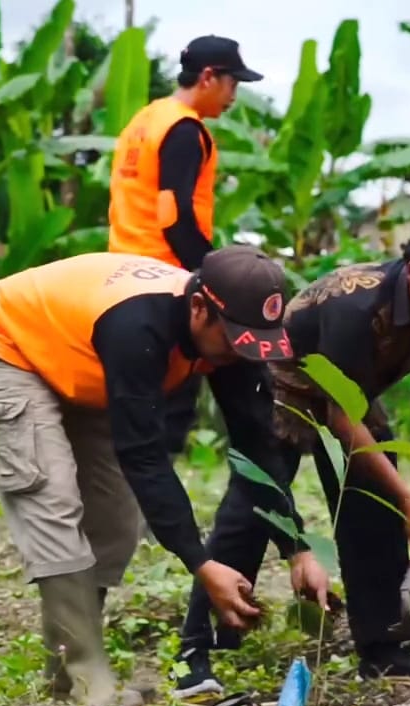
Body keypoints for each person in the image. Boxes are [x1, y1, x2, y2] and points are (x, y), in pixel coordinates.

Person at [0, 246, 330, 706]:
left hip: (84, 360)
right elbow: (145, 457)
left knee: (114, 520)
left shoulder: (234, 341)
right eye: (235, 339)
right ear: (199, 308)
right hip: (11, 348)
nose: (242, 352)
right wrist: (202, 562)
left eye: (252, 342)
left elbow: (256, 444)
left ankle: (63, 675)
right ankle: (86, 679)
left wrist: (296, 547)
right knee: (52, 502)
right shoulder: (140, 328)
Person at [172, 204, 410, 699]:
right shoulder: (358, 305)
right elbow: (340, 419)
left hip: (351, 392)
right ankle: (200, 647)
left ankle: (383, 646)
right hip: (284, 385)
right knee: (255, 506)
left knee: (371, 506)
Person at [108, 34, 262, 457]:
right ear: (209, 77)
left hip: (123, 273)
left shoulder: (145, 119)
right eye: (234, 83)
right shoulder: (183, 130)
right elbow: (173, 214)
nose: (235, 96)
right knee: (178, 406)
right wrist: (211, 277)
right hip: (166, 277)